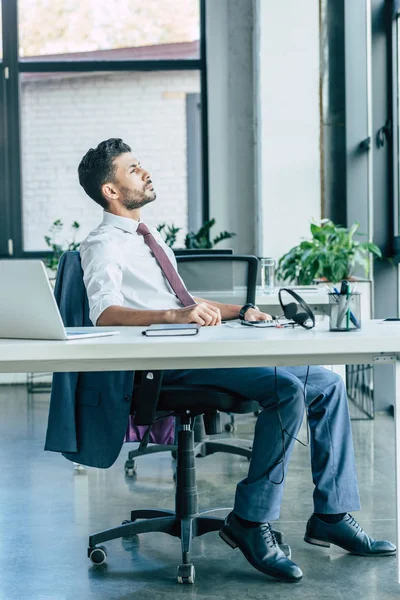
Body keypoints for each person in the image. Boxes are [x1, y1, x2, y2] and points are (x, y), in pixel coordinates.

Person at [77, 138, 395, 583]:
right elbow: (104, 311)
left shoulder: (149, 238)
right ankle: (249, 520)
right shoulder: (102, 245)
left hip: (192, 348)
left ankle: (332, 515)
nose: (145, 173)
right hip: (160, 366)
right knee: (289, 389)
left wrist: (238, 311)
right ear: (110, 190)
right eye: (133, 169)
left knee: (325, 382)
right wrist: (176, 314)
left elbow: (183, 300)